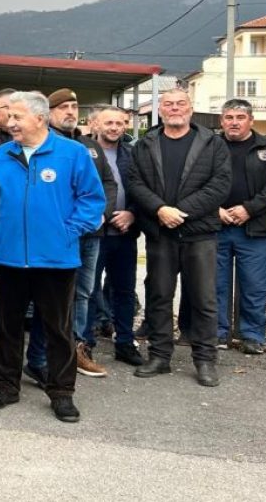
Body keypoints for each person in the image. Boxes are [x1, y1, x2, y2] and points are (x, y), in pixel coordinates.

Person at [0, 91, 105, 423]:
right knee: (6, 326)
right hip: (8, 259)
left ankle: (62, 393)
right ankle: (5, 386)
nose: (10, 122)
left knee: (58, 330)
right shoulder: (2, 155)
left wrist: (67, 231)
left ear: (39, 118)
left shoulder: (72, 153)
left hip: (56, 261)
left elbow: (93, 200)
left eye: (17, 116)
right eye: (9, 116)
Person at [126, 88, 230, 387]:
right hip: (161, 234)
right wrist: (160, 209)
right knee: (159, 296)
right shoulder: (145, 144)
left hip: (200, 233)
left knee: (204, 299)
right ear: (160, 110)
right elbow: (134, 182)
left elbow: (220, 185)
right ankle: (159, 357)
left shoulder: (213, 143)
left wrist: (180, 212)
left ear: (190, 108)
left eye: (180, 103)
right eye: (168, 104)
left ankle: (205, 360)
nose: (175, 108)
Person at [25, 89, 116, 381]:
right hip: (60, 235)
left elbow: (107, 183)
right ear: (47, 113)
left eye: (74, 106)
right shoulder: (41, 144)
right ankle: (42, 358)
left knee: (84, 293)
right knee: (51, 299)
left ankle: (76, 350)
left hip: (91, 233)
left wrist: (101, 214)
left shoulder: (90, 145)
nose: (70, 111)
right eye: (63, 107)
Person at [212, 99, 266, 355]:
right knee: (215, 284)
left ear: (251, 121)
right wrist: (214, 209)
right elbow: (196, 180)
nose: (234, 122)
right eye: (229, 117)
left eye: (240, 118)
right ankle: (217, 333)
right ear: (222, 121)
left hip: (255, 227)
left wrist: (249, 209)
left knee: (254, 285)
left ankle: (252, 335)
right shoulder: (209, 146)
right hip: (216, 225)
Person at [88, 105, 144, 367]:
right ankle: (84, 343)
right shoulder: (83, 152)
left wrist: (132, 214)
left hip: (124, 233)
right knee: (88, 290)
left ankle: (124, 342)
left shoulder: (133, 154)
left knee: (124, 290)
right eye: (108, 123)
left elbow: (143, 189)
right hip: (93, 233)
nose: (114, 128)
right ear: (95, 125)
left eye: (119, 123)